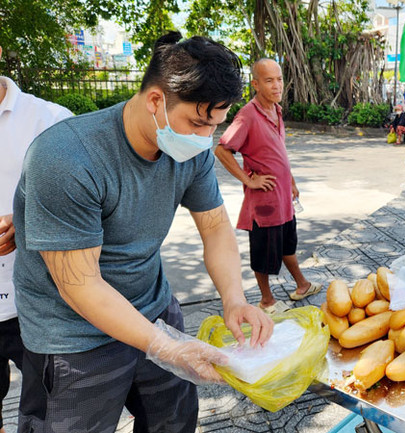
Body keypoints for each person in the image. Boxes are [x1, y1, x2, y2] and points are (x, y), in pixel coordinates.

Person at [12, 32, 274, 432]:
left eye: (215, 126)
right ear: (155, 101)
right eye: (199, 122)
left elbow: (216, 226)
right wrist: (165, 347)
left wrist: (235, 299)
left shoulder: (194, 149)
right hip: (73, 335)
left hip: (153, 307)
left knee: (173, 423)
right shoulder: (66, 158)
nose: (206, 139)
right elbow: (79, 285)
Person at [0, 46, 72, 433]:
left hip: (37, 303)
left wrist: (24, 222)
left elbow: (85, 200)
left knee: (45, 415)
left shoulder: (49, 120)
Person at [215, 59, 321, 315]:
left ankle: (302, 285)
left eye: (279, 79)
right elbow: (222, 149)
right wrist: (249, 180)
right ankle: (267, 301)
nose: (277, 85)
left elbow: (278, 152)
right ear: (255, 84)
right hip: (263, 203)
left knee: (287, 245)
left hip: (283, 198)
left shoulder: (277, 110)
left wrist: (291, 181)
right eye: (269, 80)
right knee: (264, 253)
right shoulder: (248, 115)